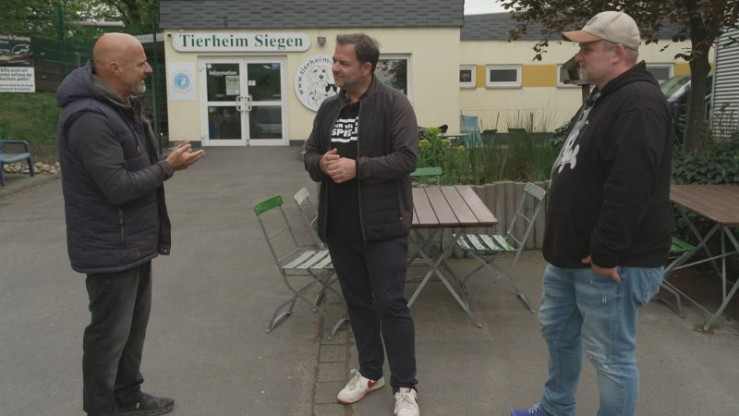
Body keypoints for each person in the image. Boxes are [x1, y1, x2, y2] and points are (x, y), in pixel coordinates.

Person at [510, 11, 674, 416]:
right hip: (570, 257)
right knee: (558, 335)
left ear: (617, 52)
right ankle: (555, 408)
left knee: (610, 356)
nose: (579, 55)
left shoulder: (638, 103)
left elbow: (631, 186)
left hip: (610, 263)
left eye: (587, 47)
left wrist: (605, 252)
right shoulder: (605, 96)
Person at [57, 33, 205, 416]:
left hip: (133, 242)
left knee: (132, 331)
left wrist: (164, 163)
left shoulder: (121, 106)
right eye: (141, 63)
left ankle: (129, 396)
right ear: (114, 68)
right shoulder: (90, 118)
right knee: (108, 337)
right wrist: (168, 167)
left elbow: (135, 167)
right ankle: (101, 408)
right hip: (111, 248)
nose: (149, 69)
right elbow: (118, 187)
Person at [303, 33, 420, 416]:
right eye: (334, 60)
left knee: (391, 305)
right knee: (357, 304)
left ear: (367, 68)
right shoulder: (329, 108)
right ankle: (371, 373)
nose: (335, 68)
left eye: (344, 63)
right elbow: (310, 152)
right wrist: (320, 164)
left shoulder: (394, 104)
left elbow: (407, 158)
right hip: (341, 229)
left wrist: (359, 168)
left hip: (383, 229)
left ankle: (405, 386)